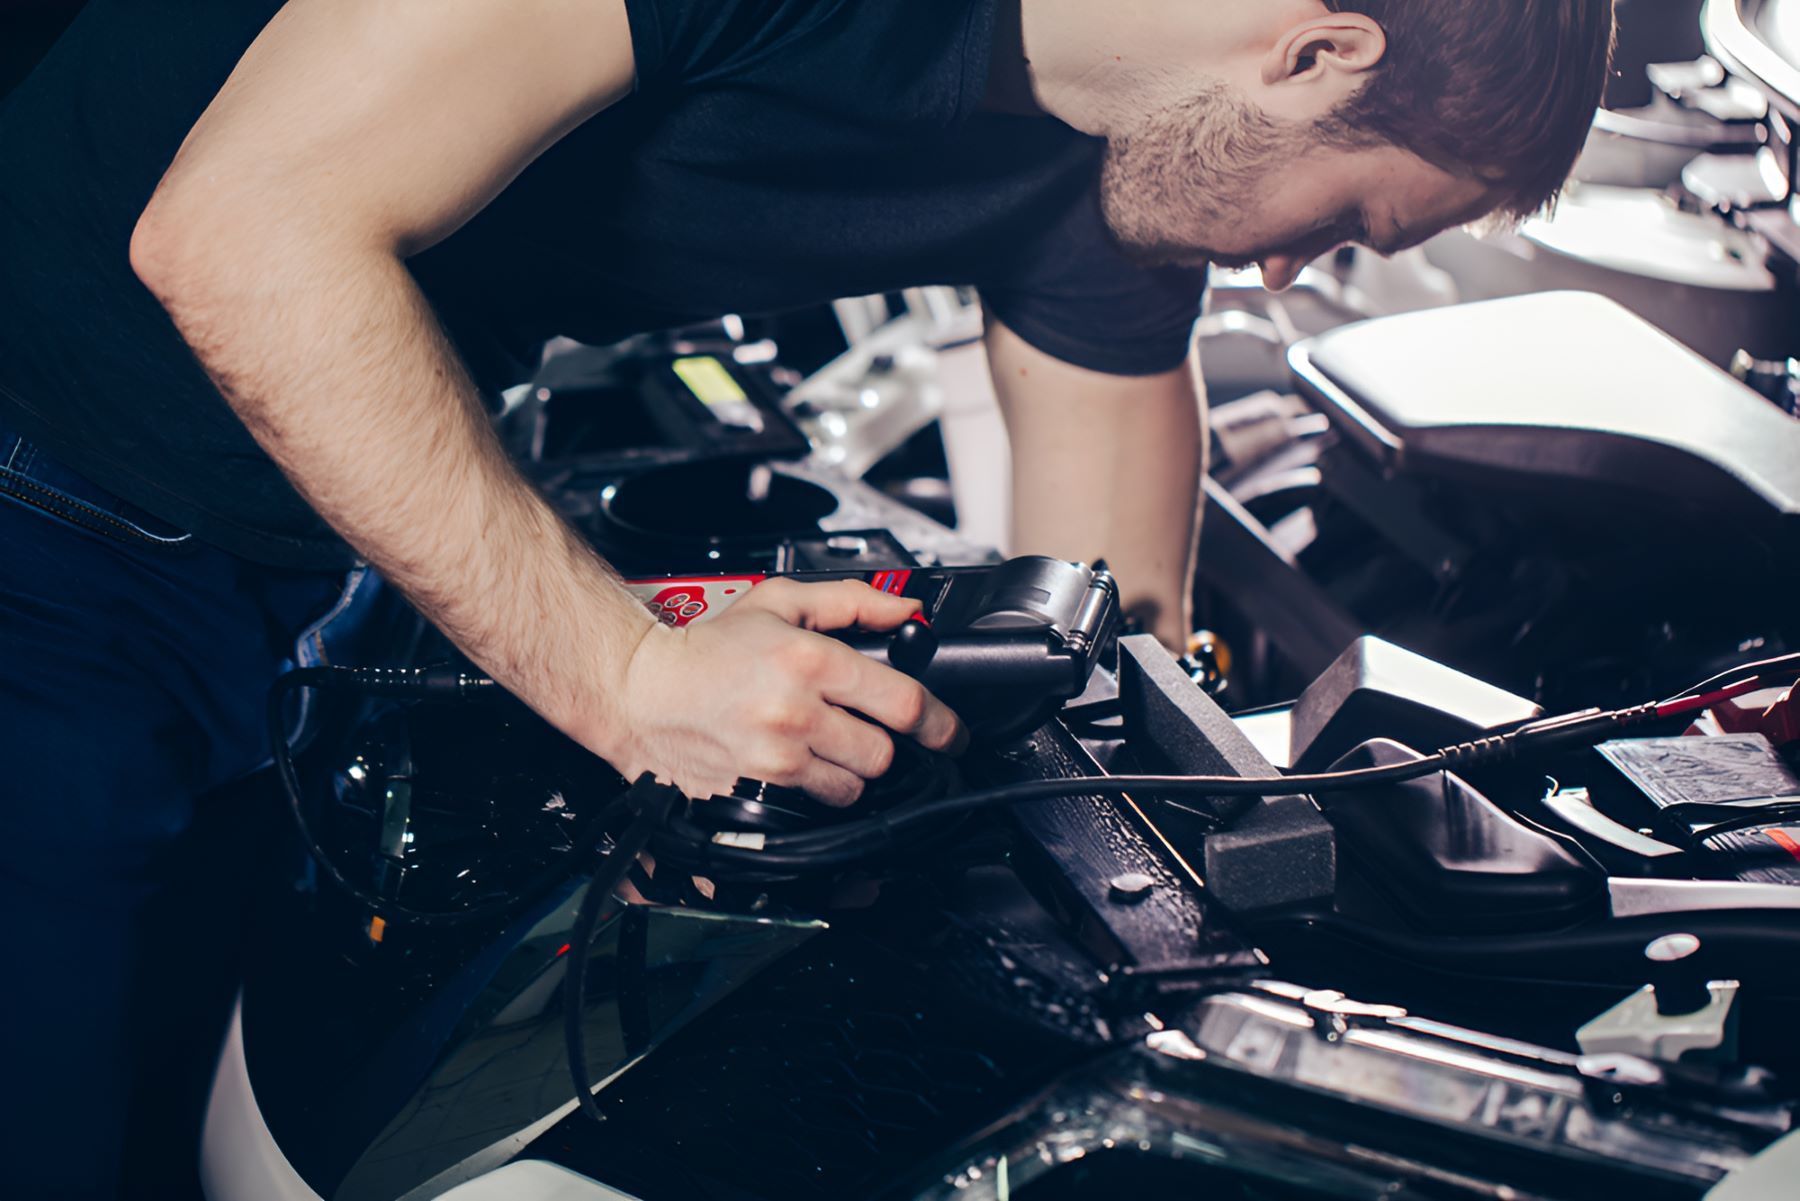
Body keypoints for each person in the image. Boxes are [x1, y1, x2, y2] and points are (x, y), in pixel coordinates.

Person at [0, 0, 1614, 1195]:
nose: (1287, 277)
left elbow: (1108, 647)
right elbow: (236, 233)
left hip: (295, 550)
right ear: (1316, 54)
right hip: (40, 490)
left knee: (186, 1101)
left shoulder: (1124, 168)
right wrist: (628, 673)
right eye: (1341, 225)